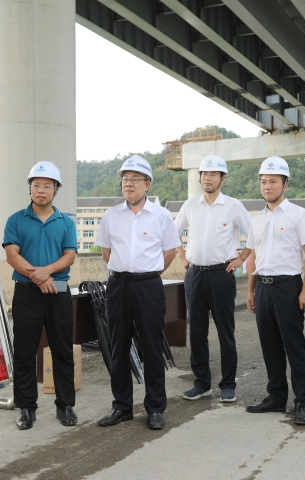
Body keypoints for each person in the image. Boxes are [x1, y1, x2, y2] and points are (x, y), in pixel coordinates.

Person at [95, 155, 181, 431]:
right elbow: (106, 251)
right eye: (125, 179)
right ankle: (122, 407)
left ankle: (155, 408)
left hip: (148, 286)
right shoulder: (111, 216)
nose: (128, 184)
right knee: (118, 346)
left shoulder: (161, 216)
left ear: (147, 184)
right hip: (118, 285)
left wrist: (148, 272)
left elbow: (170, 252)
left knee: (152, 346)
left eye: (134, 179)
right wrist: (124, 270)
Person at [234, 156, 305, 426]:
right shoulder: (257, 219)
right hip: (263, 288)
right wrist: (250, 290)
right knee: (270, 346)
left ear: (285, 184)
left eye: (273, 181)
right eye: (263, 181)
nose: (267, 186)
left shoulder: (298, 214)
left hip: (288, 287)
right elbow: (254, 255)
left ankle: (303, 401)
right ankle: (276, 396)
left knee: (294, 346)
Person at [3, 161, 78, 430]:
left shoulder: (65, 222)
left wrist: (47, 272)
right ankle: (26, 407)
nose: (41, 190)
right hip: (26, 293)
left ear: (56, 190)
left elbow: (69, 255)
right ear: (30, 188)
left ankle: (65, 405)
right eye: (36, 185)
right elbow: (12, 255)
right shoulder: (16, 219)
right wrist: (39, 277)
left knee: (62, 349)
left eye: (47, 185)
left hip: (58, 291)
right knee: (24, 351)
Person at [175, 155, 252, 403]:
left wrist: (241, 258)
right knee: (197, 331)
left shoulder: (233, 206)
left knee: (225, 331)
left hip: (221, 275)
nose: (207, 178)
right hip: (195, 275)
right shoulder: (190, 206)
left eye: (212, 174)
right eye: (204, 174)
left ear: (222, 179)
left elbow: (255, 233)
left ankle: (228, 384)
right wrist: (182, 256)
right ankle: (202, 383)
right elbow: (172, 232)